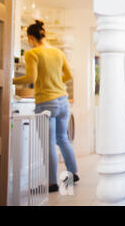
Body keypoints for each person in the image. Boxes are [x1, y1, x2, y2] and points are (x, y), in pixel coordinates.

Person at [13, 20, 79, 193]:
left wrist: (9, 79)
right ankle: (73, 172)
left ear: (30, 37)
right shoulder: (58, 52)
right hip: (63, 100)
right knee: (63, 138)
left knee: (48, 143)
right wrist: (56, 83)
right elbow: (69, 75)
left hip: (46, 102)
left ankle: (51, 183)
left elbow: (30, 78)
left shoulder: (32, 53)